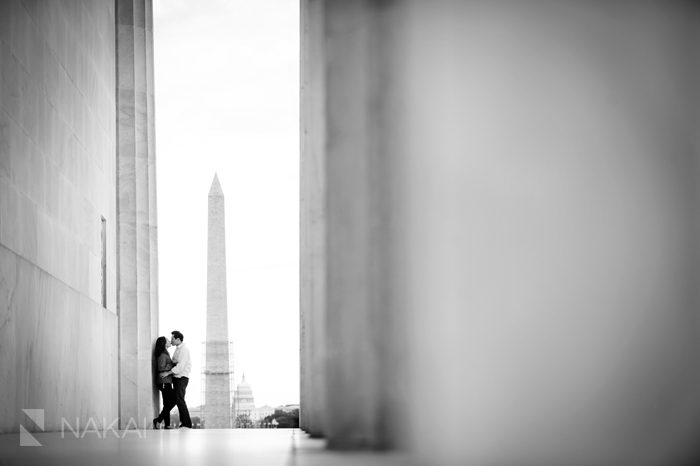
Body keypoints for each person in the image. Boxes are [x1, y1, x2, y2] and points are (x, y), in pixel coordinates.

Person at [160, 330, 192, 428]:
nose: (171, 340)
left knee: (180, 400)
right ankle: (160, 419)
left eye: (172, 338)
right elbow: (174, 361)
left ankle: (187, 423)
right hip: (177, 378)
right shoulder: (178, 349)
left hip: (181, 378)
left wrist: (167, 373)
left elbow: (180, 366)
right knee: (176, 400)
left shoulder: (184, 349)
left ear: (178, 339)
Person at [153, 336, 176, 429]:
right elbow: (161, 368)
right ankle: (158, 420)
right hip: (164, 381)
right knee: (173, 401)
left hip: (166, 381)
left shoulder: (165, 353)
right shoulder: (162, 354)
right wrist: (172, 365)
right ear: (163, 343)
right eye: (167, 340)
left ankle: (167, 424)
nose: (169, 341)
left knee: (167, 404)